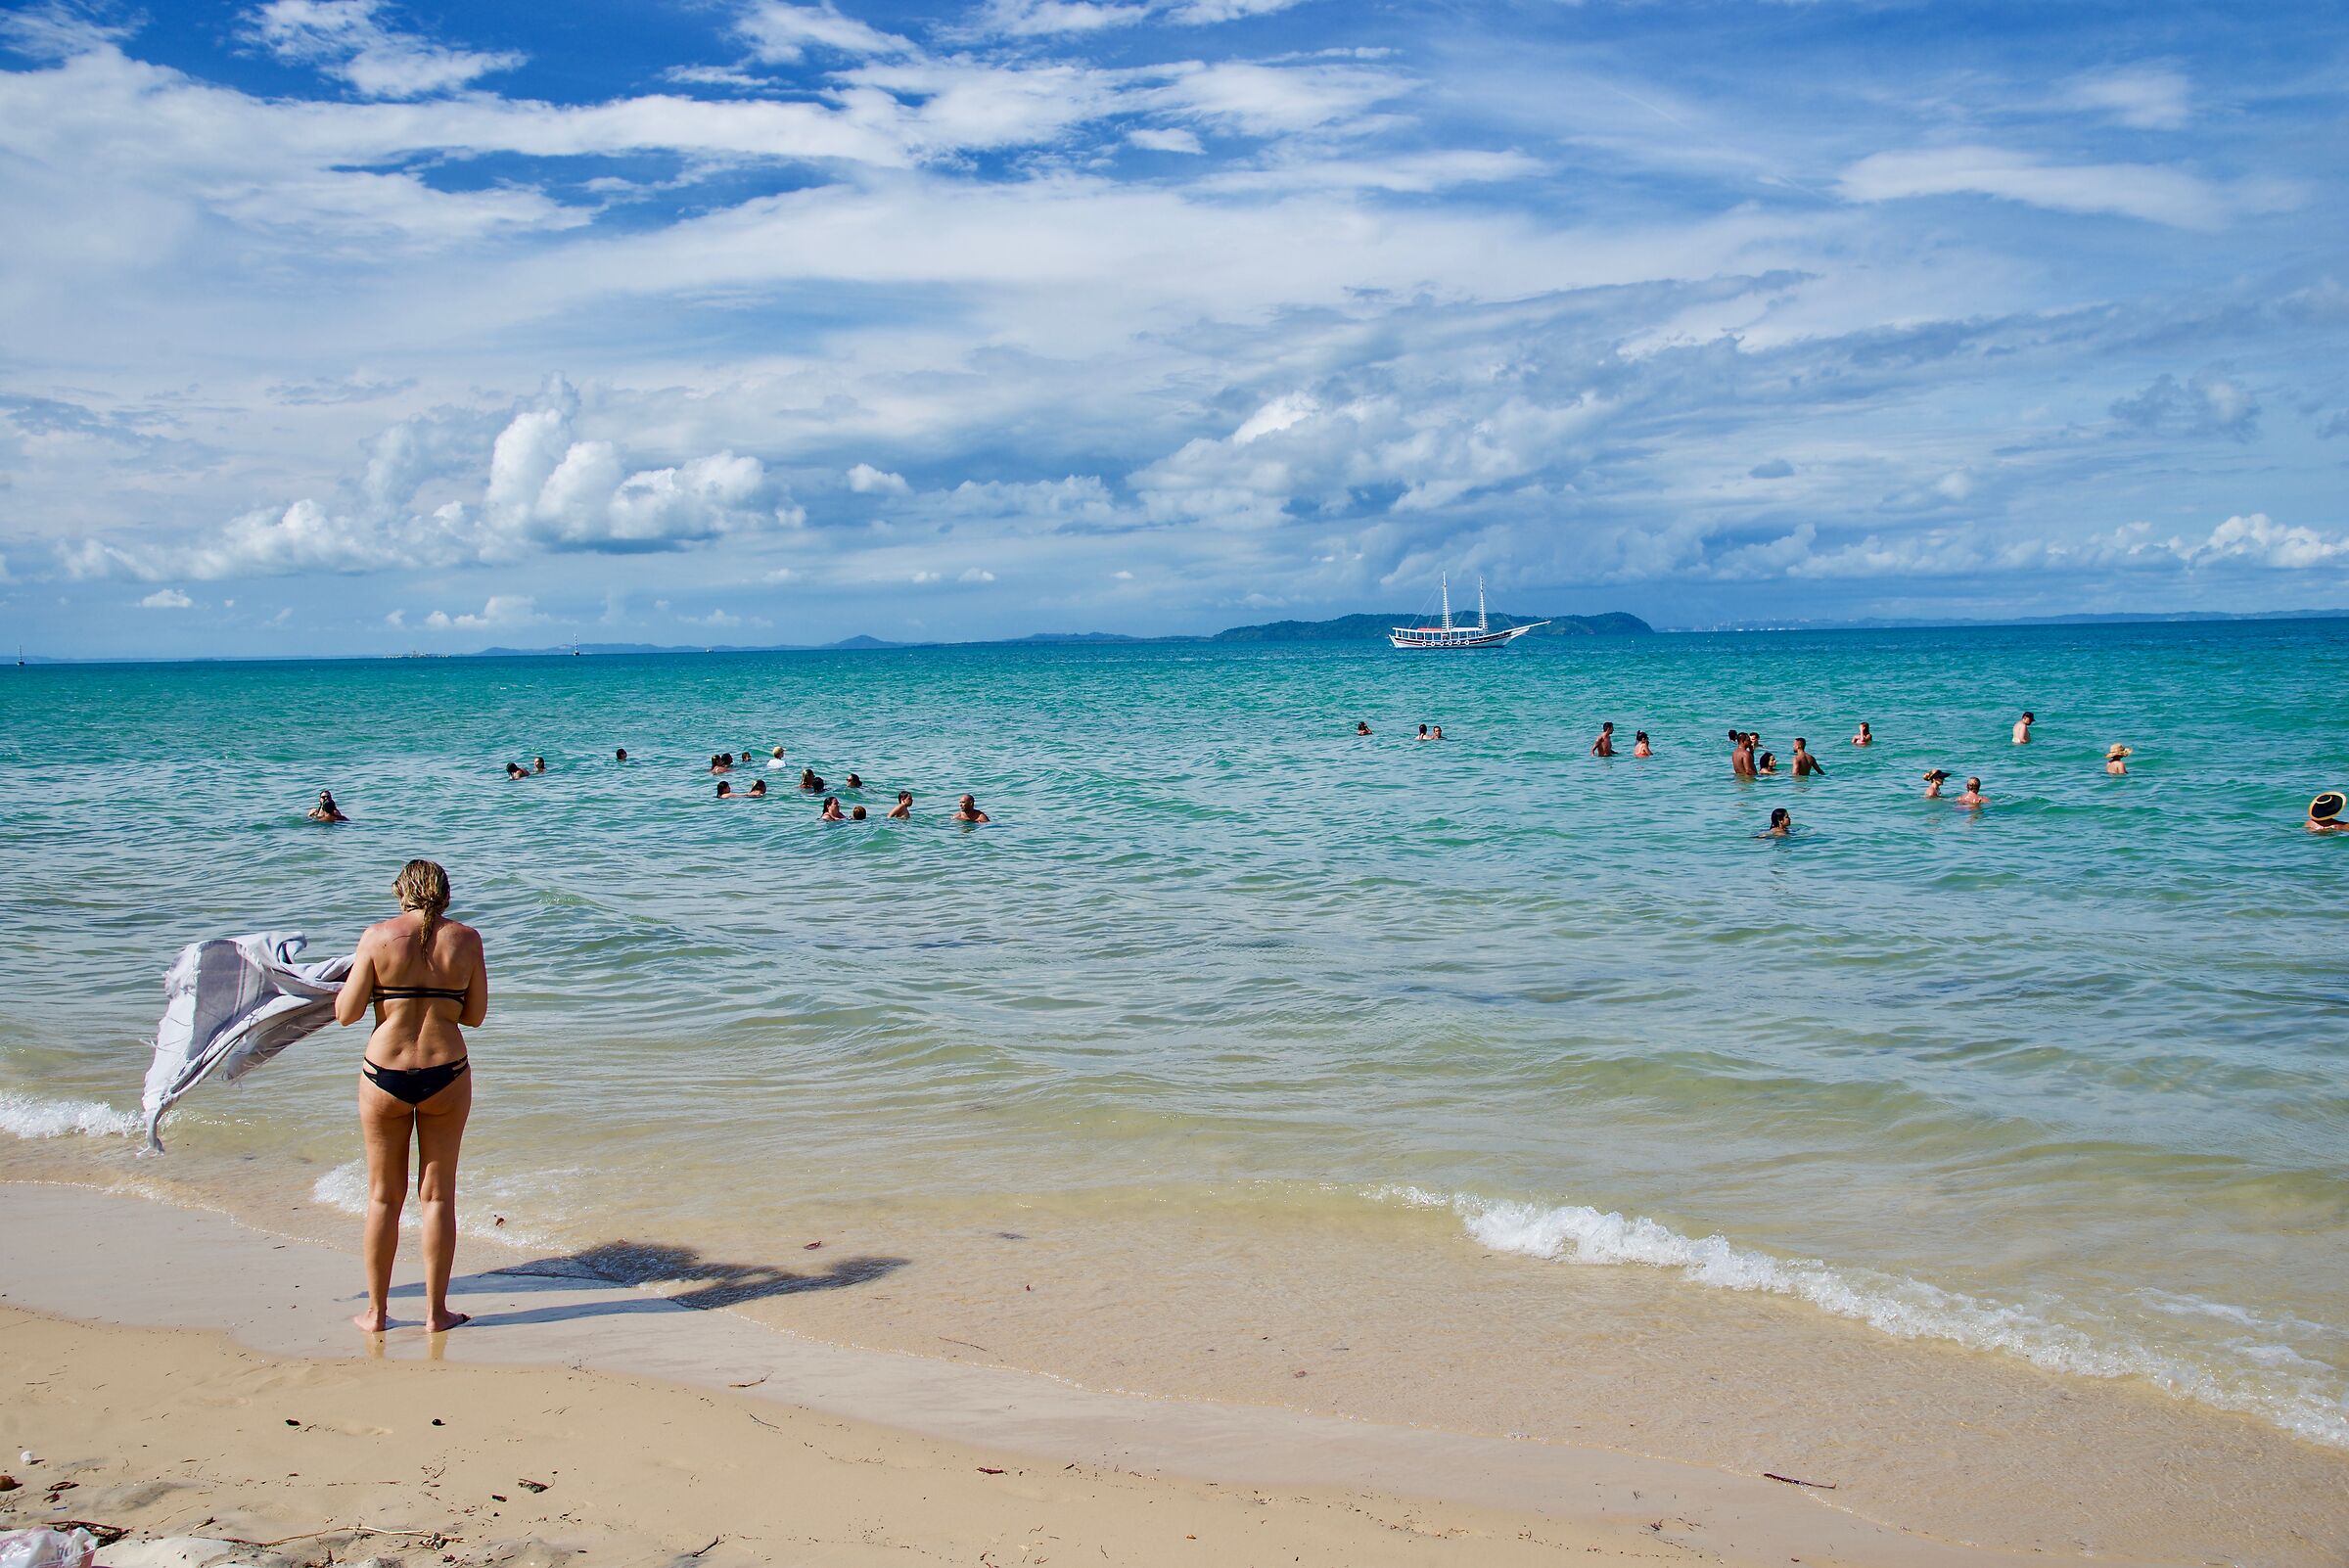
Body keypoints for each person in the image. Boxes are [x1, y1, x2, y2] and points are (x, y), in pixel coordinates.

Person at [333, 859, 484, 1336]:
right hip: (447, 1073)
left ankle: (376, 1314)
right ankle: (436, 1314)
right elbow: (475, 1016)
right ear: (445, 893)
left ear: (403, 892)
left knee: (383, 1197)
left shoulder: (376, 937)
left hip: (385, 1075)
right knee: (437, 1196)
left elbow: (346, 1014)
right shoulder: (467, 939)